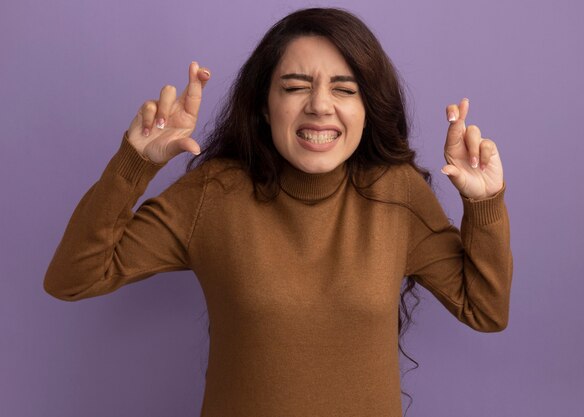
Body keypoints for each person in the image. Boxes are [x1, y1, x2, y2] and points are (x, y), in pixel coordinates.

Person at [44, 7, 512, 417]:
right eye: (294, 86)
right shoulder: (214, 193)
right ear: (266, 107)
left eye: (345, 90)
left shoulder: (397, 194)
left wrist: (484, 203)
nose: (320, 106)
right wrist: (136, 163)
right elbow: (74, 277)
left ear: (368, 108)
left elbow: (485, 310)